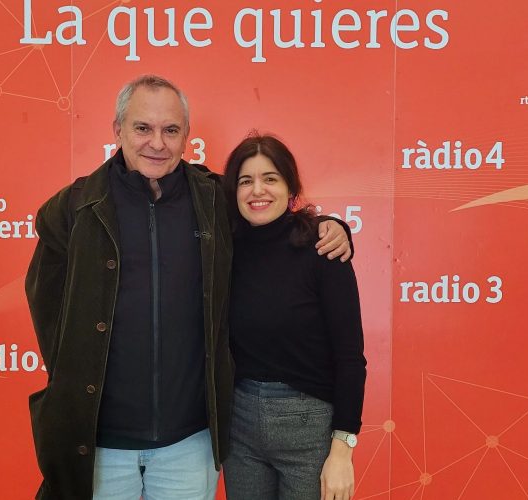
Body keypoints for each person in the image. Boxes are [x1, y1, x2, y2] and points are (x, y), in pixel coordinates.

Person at [25, 75, 352, 500]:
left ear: (186, 137)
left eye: (170, 130)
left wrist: (331, 226)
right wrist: (77, 372)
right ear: (118, 130)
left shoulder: (214, 198)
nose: (157, 143)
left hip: (188, 443)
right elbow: (45, 305)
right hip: (99, 445)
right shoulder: (74, 207)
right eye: (143, 128)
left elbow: (271, 219)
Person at [222, 134, 367, 500]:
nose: (258, 190)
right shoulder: (223, 249)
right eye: (245, 180)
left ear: (290, 188)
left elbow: (350, 358)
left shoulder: (322, 247)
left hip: (309, 427)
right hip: (239, 426)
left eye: (270, 178)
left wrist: (342, 451)